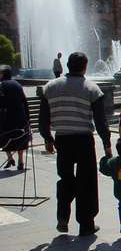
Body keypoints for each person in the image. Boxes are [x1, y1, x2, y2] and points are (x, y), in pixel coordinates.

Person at [39, 52, 111, 236]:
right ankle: (86, 224)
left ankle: (63, 217)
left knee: (65, 179)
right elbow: (101, 121)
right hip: (84, 140)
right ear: (85, 66)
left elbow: (43, 119)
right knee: (86, 182)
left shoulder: (50, 87)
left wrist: (48, 138)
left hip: (62, 139)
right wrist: (107, 144)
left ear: (67, 66)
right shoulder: (91, 88)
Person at [0, 65, 30, 170]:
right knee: (20, 138)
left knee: (5, 138)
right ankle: (21, 161)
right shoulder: (17, 84)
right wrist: (28, 118)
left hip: (7, 118)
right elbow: (24, 101)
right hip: (20, 117)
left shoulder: (1, 85)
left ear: (2, 74)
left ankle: (9, 158)